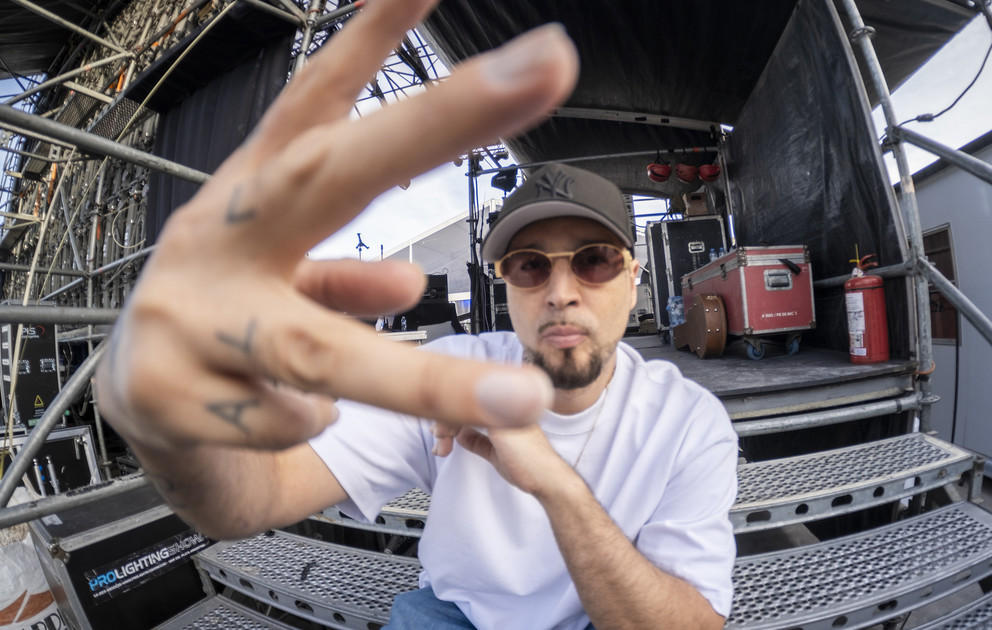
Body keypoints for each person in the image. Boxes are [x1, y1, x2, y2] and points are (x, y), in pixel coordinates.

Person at [94, 1, 737, 629]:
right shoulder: (449, 377)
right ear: (506, 282)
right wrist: (166, 428)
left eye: (593, 260)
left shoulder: (686, 422)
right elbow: (253, 499)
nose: (561, 292)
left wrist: (557, 489)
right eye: (530, 265)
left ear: (633, 276)